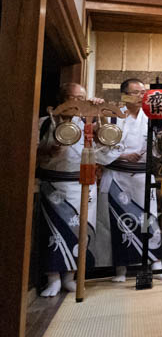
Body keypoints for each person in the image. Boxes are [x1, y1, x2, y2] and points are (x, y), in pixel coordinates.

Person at [36, 83, 119, 296]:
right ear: (63, 100)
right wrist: (48, 149)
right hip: (54, 186)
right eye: (75, 98)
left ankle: (71, 276)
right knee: (54, 233)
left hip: (82, 185)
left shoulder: (86, 125)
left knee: (81, 231)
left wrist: (100, 119)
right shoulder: (45, 123)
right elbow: (30, 154)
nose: (79, 103)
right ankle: (52, 278)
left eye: (83, 98)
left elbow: (106, 151)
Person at [101, 79, 162, 282]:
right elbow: (99, 150)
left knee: (149, 219)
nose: (142, 96)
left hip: (142, 176)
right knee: (118, 222)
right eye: (136, 92)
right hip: (118, 176)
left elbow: (160, 151)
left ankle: (156, 264)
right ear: (124, 94)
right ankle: (120, 270)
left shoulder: (152, 118)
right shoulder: (111, 118)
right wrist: (122, 156)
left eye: (144, 92)